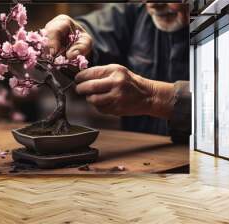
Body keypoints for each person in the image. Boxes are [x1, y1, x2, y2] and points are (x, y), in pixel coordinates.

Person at [44, 3, 191, 143]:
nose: (152, 5)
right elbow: (93, 32)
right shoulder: (133, 11)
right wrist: (74, 41)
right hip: (141, 153)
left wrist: (153, 96)